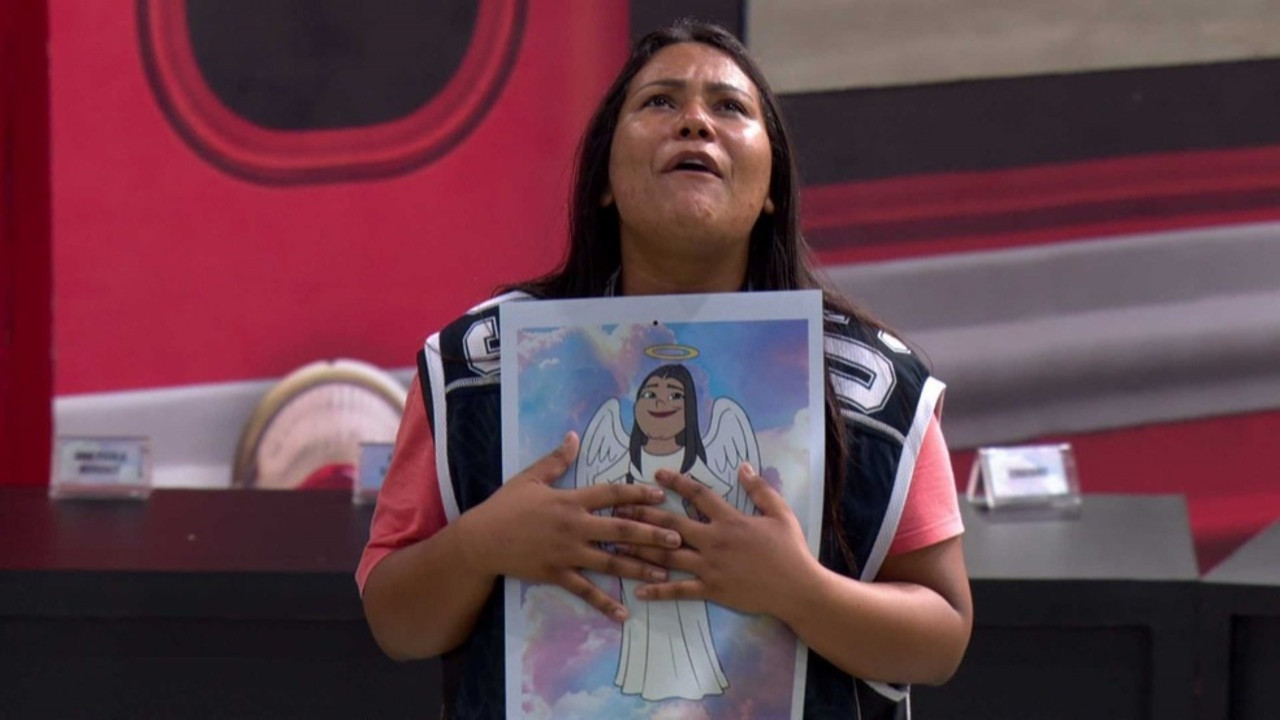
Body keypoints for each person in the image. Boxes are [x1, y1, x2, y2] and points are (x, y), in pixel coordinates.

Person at [358, 19, 971, 719]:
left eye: (730, 107)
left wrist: (799, 589)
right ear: (604, 179)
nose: (694, 123)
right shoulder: (476, 369)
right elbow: (397, 624)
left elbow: (940, 640)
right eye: (659, 102)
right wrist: (480, 547)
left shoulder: (875, 386)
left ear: (772, 184)